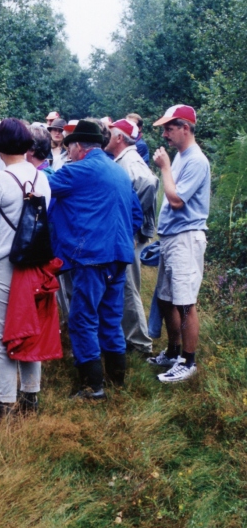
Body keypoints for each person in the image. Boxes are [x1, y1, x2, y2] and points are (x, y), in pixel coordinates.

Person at [48, 119, 141, 401]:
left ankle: (92, 386)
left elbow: (40, 188)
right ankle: (117, 379)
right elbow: (136, 215)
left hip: (91, 257)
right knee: (111, 318)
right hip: (118, 255)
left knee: (82, 318)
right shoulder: (119, 171)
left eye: (70, 148)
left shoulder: (76, 171)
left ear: (78, 146)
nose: (69, 153)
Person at [0, 118, 51, 427]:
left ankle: (4, 404)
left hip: (3, 267)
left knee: (0, 337)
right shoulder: (41, 177)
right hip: (34, 266)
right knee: (29, 332)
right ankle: (31, 398)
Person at [149, 104, 210, 383]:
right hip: (172, 238)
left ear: (186, 128)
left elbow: (175, 200)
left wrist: (164, 168)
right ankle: (174, 351)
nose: (165, 134)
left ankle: (188, 361)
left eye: (169, 128)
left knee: (185, 302)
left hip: (186, 238)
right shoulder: (182, 157)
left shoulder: (196, 160)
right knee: (165, 299)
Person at [105, 119, 159, 355]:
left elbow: (149, 183)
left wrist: (129, 219)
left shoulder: (130, 160)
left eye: (110, 134)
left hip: (130, 234)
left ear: (119, 138)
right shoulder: (123, 159)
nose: (106, 138)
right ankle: (130, 338)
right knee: (125, 284)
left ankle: (140, 344)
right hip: (128, 232)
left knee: (128, 286)